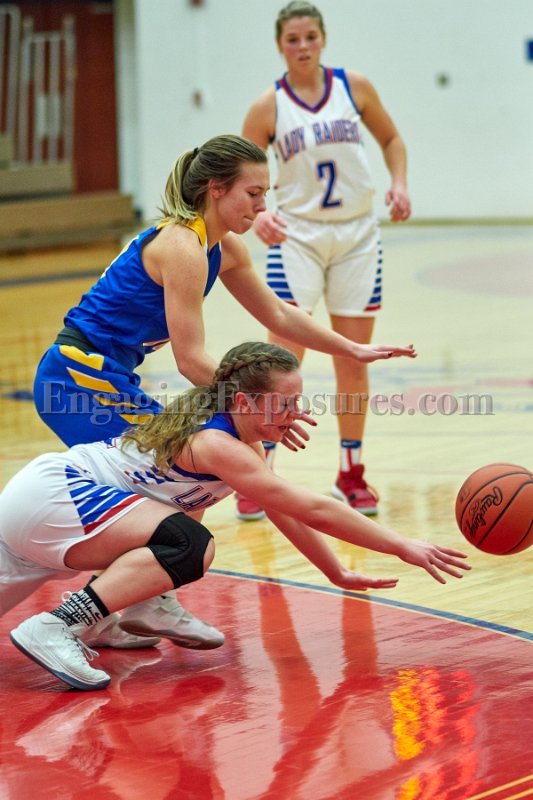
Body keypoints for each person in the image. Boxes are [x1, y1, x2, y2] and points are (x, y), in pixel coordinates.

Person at [31, 133, 415, 651]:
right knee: (196, 464)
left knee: (195, 473)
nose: (262, 207)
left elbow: (278, 314)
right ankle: (129, 600)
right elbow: (191, 361)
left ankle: (129, 600)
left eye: (266, 194)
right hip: (77, 377)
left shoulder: (222, 247)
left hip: (107, 375)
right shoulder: (182, 246)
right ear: (216, 189)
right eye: (253, 194)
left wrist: (350, 348)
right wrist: (257, 412)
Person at [4, 342, 470, 690]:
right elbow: (314, 508)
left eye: (298, 401)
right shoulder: (217, 444)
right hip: (58, 497)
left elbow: (283, 511)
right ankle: (59, 624)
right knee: (190, 545)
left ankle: (109, 617)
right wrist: (401, 545)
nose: (297, 413)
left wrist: (336, 572)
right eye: (285, 403)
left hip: (44, 507)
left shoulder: (237, 439)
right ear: (244, 403)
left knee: (181, 525)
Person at [239, 1, 412, 520]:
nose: (303, 46)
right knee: (280, 361)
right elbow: (243, 174)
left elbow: (391, 138)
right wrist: (259, 215)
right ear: (280, 45)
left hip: (357, 235)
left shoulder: (354, 87)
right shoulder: (268, 107)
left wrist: (399, 183)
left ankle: (350, 473)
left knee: (353, 358)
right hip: (298, 236)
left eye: (310, 36)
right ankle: (260, 470)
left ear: (323, 38)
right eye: (293, 39)